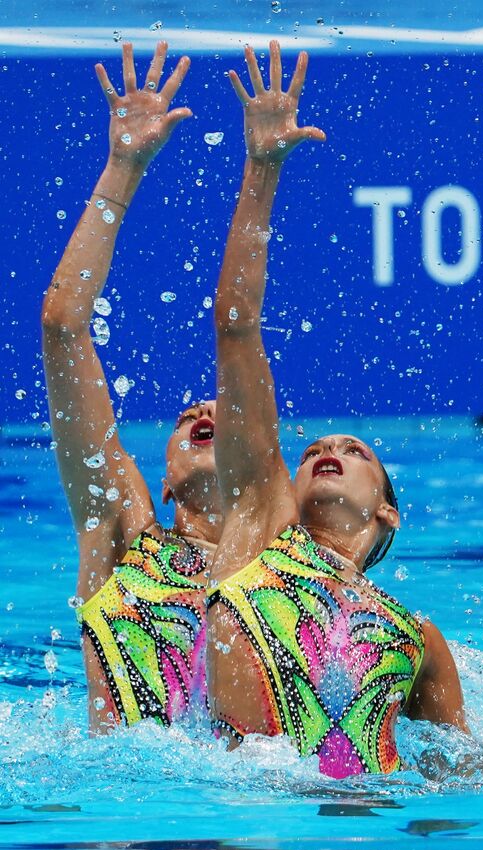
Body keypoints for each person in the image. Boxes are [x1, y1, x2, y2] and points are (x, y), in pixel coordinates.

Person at [203, 42, 467, 777]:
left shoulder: (416, 636)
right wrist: (262, 169)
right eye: (317, 445)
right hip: (242, 823)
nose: (331, 449)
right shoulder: (260, 532)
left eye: (356, 451)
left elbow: (469, 776)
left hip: (370, 826)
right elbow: (235, 325)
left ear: (388, 511)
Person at [42, 42, 218, 731]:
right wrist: (123, 167)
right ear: (165, 482)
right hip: (117, 819)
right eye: (187, 416)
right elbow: (63, 325)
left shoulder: (291, 564)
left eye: (224, 410)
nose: (204, 407)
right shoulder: (126, 533)